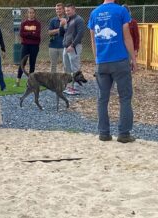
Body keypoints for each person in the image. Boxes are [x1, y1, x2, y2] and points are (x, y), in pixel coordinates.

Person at [88, 0, 137, 143]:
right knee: (125, 98)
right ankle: (124, 134)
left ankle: (104, 133)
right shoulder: (121, 11)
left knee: (102, 99)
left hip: (102, 62)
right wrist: (133, 59)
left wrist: (97, 59)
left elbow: (93, 40)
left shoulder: (94, 13)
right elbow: (127, 37)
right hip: (120, 61)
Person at [59, 3, 85, 95]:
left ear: (74, 9)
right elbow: (62, 33)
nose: (67, 12)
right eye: (66, 11)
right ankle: (70, 87)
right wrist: (62, 25)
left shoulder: (79, 20)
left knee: (75, 68)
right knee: (67, 68)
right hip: (66, 47)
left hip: (74, 47)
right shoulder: (68, 20)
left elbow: (80, 34)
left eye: (68, 10)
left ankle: (77, 88)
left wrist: (73, 45)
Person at [14, 7, 41, 87]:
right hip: (25, 45)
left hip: (34, 46)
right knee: (22, 63)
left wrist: (28, 34)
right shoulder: (24, 23)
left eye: (32, 12)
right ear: (27, 13)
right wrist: (31, 33)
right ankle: (18, 81)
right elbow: (22, 34)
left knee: (32, 63)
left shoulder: (37, 23)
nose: (31, 14)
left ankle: (30, 82)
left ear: (34, 14)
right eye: (29, 12)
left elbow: (37, 35)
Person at [48, 3, 66, 73]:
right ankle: (52, 82)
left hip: (63, 46)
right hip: (53, 46)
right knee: (53, 65)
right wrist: (60, 29)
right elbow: (49, 32)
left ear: (63, 10)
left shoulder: (67, 20)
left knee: (65, 65)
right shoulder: (53, 20)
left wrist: (54, 30)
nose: (58, 10)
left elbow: (68, 32)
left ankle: (65, 82)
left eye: (59, 9)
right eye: (57, 9)